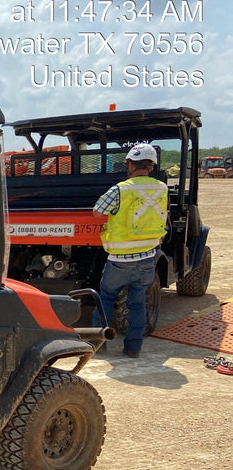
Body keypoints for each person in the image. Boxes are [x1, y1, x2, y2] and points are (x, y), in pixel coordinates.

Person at [92, 143, 168, 357]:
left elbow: (97, 212)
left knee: (106, 299)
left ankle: (97, 345)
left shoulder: (121, 189)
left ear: (130, 164)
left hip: (120, 260)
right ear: (151, 167)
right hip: (147, 257)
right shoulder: (162, 188)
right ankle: (133, 348)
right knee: (137, 303)